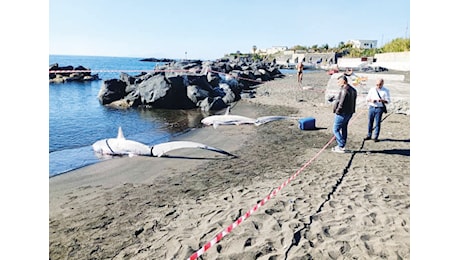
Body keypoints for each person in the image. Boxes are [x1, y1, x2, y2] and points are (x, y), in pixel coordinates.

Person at [331, 74, 357, 153]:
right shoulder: (353, 90)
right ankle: (342, 145)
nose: (338, 83)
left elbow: (341, 102)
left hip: (342, 113)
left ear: (343, 81)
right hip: (349, 112)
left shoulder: (344, 90)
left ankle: (341, 145)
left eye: (339, 82)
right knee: (344, 128)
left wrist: (337, 111)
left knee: (335, 129)